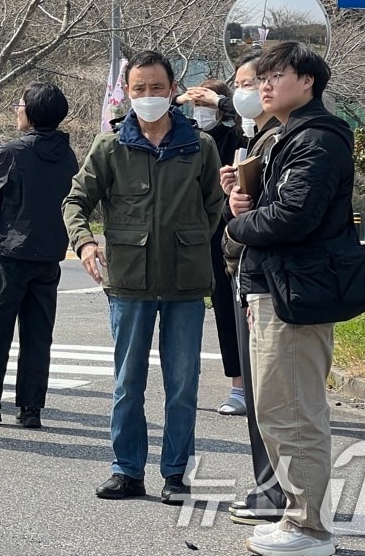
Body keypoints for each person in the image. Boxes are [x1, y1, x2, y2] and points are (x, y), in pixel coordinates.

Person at [63, 49, 224, 505]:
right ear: (127, 93)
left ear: (173, 90)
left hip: (185, 283)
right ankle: (126, 471)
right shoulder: (110, 146)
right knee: (127, 382)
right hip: (128, 282)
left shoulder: (200, 146)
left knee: (182, 383)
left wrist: (188, 240)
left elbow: (214, 205)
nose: (149, 96)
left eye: (157, 88)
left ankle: (175, 474)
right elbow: (75, 201)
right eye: (140, 89)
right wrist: (86, 243)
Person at [226, 42, 362, 556]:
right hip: (275, 286)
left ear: (307, 82)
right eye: (262, 75)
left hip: (294, 292)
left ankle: (310, 529)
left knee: (295, 413)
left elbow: (293, 217)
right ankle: (295, 518)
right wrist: (244, 197)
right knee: (277, 412)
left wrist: (239, 222)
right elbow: (278, 209)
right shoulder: (284, 136)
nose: (264, 84)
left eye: (277, 74)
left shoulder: (318, 139)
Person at [0, 82, 78, 428]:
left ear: (32, 112)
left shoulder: (15, 152)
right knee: (38, 335)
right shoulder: (67, 154)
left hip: (13, 253)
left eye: (19, 105)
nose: (16, 109)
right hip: (51, 255)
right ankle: (31, 408)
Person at [220, 50, 288, 526]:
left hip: (268, 282)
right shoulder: (255, 139)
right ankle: (269, 489)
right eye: (243, 83)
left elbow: (281, 214)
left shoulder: (283, 140)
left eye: (259, 80)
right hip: (249, 278)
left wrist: (238, 217)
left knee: (275, 399)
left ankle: (277, 493)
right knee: (264, 398)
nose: (251, 90)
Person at [179, 77, 246, 415]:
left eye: (205, 104)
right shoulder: (188, 137)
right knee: (221, 307)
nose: (200, 110)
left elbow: (254, 119)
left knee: (243, 309)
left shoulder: (239, 135)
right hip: (203, 236)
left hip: (237, 231)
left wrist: (221, 101)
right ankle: (238, 385)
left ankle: (252, 385)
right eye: (196, 105)